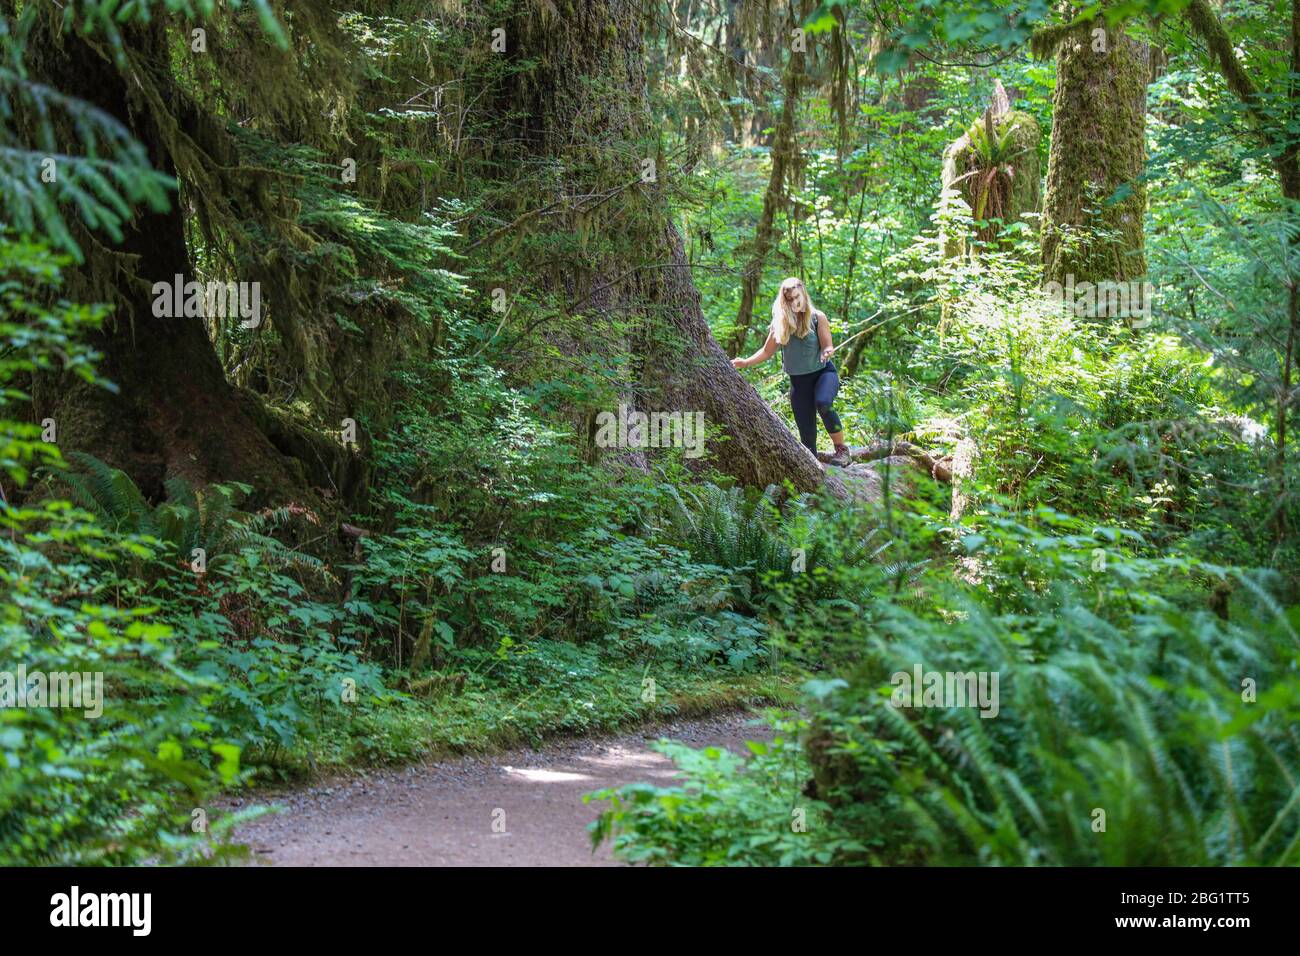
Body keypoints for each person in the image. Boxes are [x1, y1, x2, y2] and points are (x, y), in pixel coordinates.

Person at [731, 277, 851, 467]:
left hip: (823, 374)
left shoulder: (817, 317)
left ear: (803, 294)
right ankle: (816, 475)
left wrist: (827, 351)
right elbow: (766, 351)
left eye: (796, 297)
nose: (794, 302)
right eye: (789, 299)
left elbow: (827, 345)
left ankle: (842, 449)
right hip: (799, 383)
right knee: (807, 437)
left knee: (824, 403)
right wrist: (744, 362)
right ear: (783, 300)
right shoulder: (780, 323)